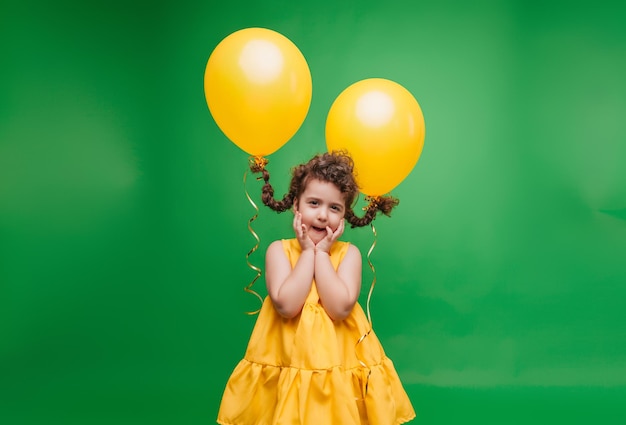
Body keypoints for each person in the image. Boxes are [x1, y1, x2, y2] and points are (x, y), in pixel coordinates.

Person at [217, 151, 415, 425]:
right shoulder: (278, 251)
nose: (323, 216)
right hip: (287, 360)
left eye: (335, 208)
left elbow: (339, 308)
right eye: (313, 203)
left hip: (337, 369)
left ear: (345, 215)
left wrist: (322, 254)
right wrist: (307, 253)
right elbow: (287, 306)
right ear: (296, 206)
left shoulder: (349, 255)